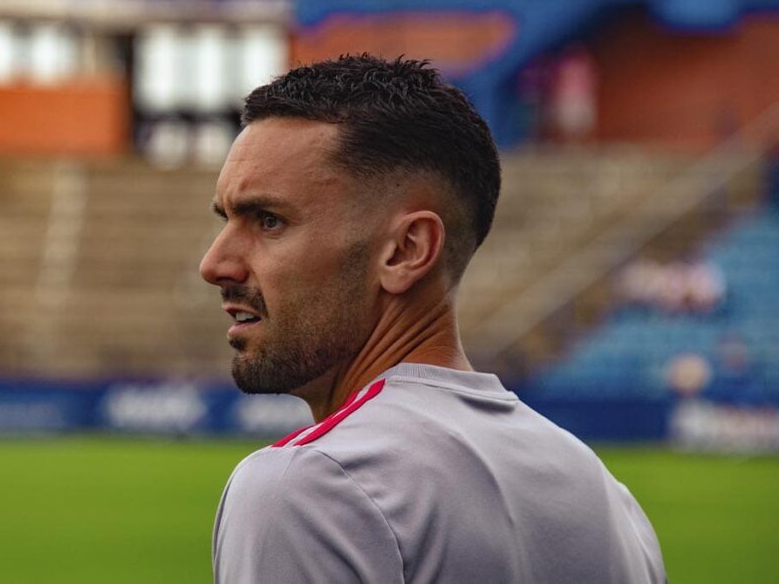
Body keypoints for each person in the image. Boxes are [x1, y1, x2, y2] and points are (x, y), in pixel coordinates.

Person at [200, 55, 665, 583]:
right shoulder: (606, 498)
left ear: (405, 250)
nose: (215, 265)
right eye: (227, 219)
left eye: (268, 221)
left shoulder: (313, 485)